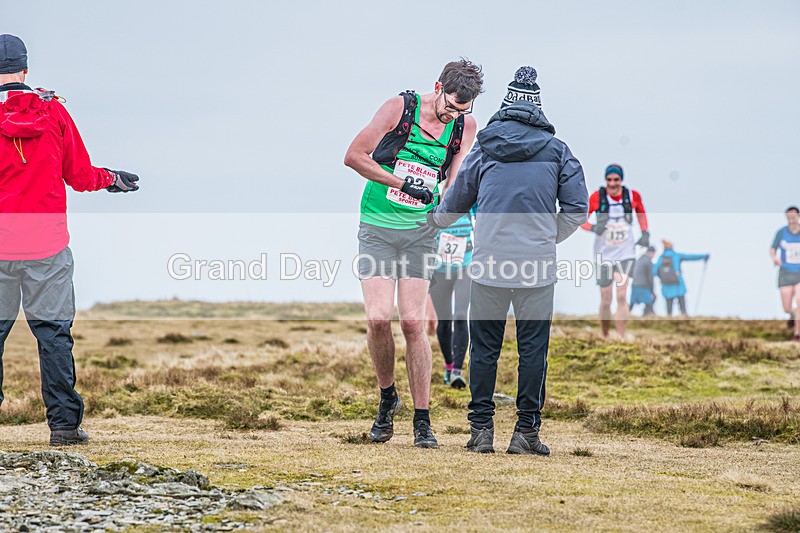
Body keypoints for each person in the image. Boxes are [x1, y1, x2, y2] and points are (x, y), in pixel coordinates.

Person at [421, 66, 588, 455]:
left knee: (484, 350)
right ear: (537, 108)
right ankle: (526, 433)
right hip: (537, 267)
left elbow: (452, 206)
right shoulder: (558, 150)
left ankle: (481, 433)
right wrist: (547, 238)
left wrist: (430, 219)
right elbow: (577, 209)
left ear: (506, 104)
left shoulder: (483, 148)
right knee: (533, 351)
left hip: (488, 264)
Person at [0, 35, 140, 446]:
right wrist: (111, 179)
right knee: (54, 335)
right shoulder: (54, 112)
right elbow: (79, 175)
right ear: (25, 69)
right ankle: (63, 427)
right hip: (47, 247)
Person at [344, 59, 482, 448]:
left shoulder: (464, 126)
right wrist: (400, 182)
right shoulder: (398, 109)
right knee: (376, 320)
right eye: (450, 106)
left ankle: (423, 421)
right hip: (377, 227)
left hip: (421, 234)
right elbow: (354, 156)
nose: (454, 115)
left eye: (462, 110)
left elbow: (455, 178)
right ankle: (388, 398)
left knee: (412, 324)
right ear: (438, 87)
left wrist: (445, 209)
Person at [581, 164, 649, 338]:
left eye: (616, 180)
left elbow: (641, 213)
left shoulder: (632, 196)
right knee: (606, 300)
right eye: (609, 180)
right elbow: (580, 220)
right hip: (603, 254)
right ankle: (604, 334)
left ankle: (620, 336)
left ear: (621, 180)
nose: (612, 184)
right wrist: (593, 227)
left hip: (626, 253)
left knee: (621, 295)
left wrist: (645, 232)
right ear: (605, 180)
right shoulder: (597, 198)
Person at [429, 206, 475, 388]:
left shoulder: (469, 203)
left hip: (465, 267)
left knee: (461, 316)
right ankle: (449, 366)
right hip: (439, 271)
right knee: (445, 321)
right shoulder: (434, 200)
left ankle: (457, 371)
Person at [654, 240, 709, 316]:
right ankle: (684, 317)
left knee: (669, 308)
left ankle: (668, 320)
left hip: (666, 286)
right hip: (678, 285)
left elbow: (654, 271)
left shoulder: (660, 258)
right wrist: (704, 256)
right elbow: (691, 257)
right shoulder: (676, 256)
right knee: (682, 306)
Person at [769, 206, 800, 342]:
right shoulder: (781, 233)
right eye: (789, 217)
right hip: (785, 273)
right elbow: (772, 248)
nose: (791, 219)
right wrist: (775, 258)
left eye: (793, 216)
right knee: (787, 308)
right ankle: (792, 316)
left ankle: (797, 334)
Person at [629, 246, 657, 316]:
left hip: (634, 284)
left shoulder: (639, 260)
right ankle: (646, 316)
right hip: (643, 286)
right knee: (649, 302)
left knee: (632, 303)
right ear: (651, 253)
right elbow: (650, 278)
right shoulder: (648, 262)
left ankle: (623, 316)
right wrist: (652, 291)